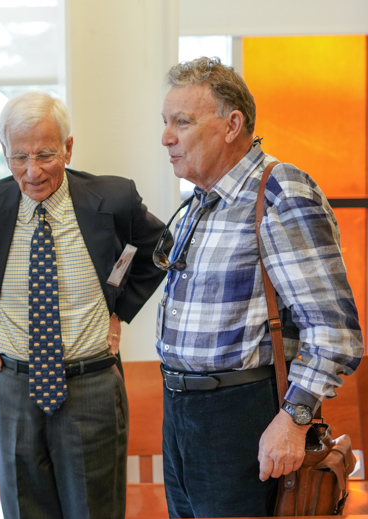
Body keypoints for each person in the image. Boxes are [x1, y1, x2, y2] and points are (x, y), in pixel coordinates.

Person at [0, 91, 169, 519]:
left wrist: (120, 311)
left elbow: (158, 251)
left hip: (91, 383)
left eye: (45, 154)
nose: (32, 171)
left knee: (94, 510)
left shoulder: (112, 200)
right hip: (13, 384)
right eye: (19, 157)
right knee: (24, 508)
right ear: (4, 153)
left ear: (68, 148)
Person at [157, 56, 364, 518]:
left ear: (232, 125)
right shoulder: (201, 201)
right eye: (165, 122)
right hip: (183, 415)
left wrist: (293, 421)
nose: (166, 137)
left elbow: (335, 334)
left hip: (244, 416)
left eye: (182, 122)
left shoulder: (279, 191)